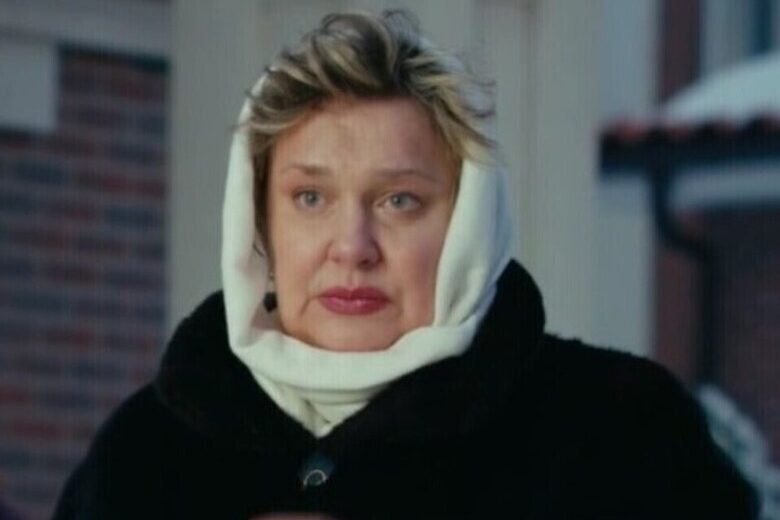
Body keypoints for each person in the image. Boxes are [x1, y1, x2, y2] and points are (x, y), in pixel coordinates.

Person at [53, 9, 758, 520]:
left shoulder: (619, 434)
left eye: (399, 200)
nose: (352, 245)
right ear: (260, 225)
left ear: (467, 227)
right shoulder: (141, 456)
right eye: (310, 198)